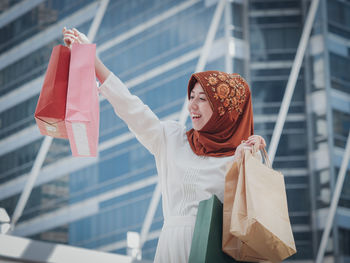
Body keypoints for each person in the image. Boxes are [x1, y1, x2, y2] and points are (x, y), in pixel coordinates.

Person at [63, 27, 266, 263]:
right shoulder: (172, 139)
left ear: (225, 111)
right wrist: (90, 58)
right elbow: (131, 107)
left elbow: (248, 219)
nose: (192, 106)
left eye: (202, 99)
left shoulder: (241, 156)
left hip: (214, 253)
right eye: (191, 97)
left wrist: (250, 160)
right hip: (170, 249)